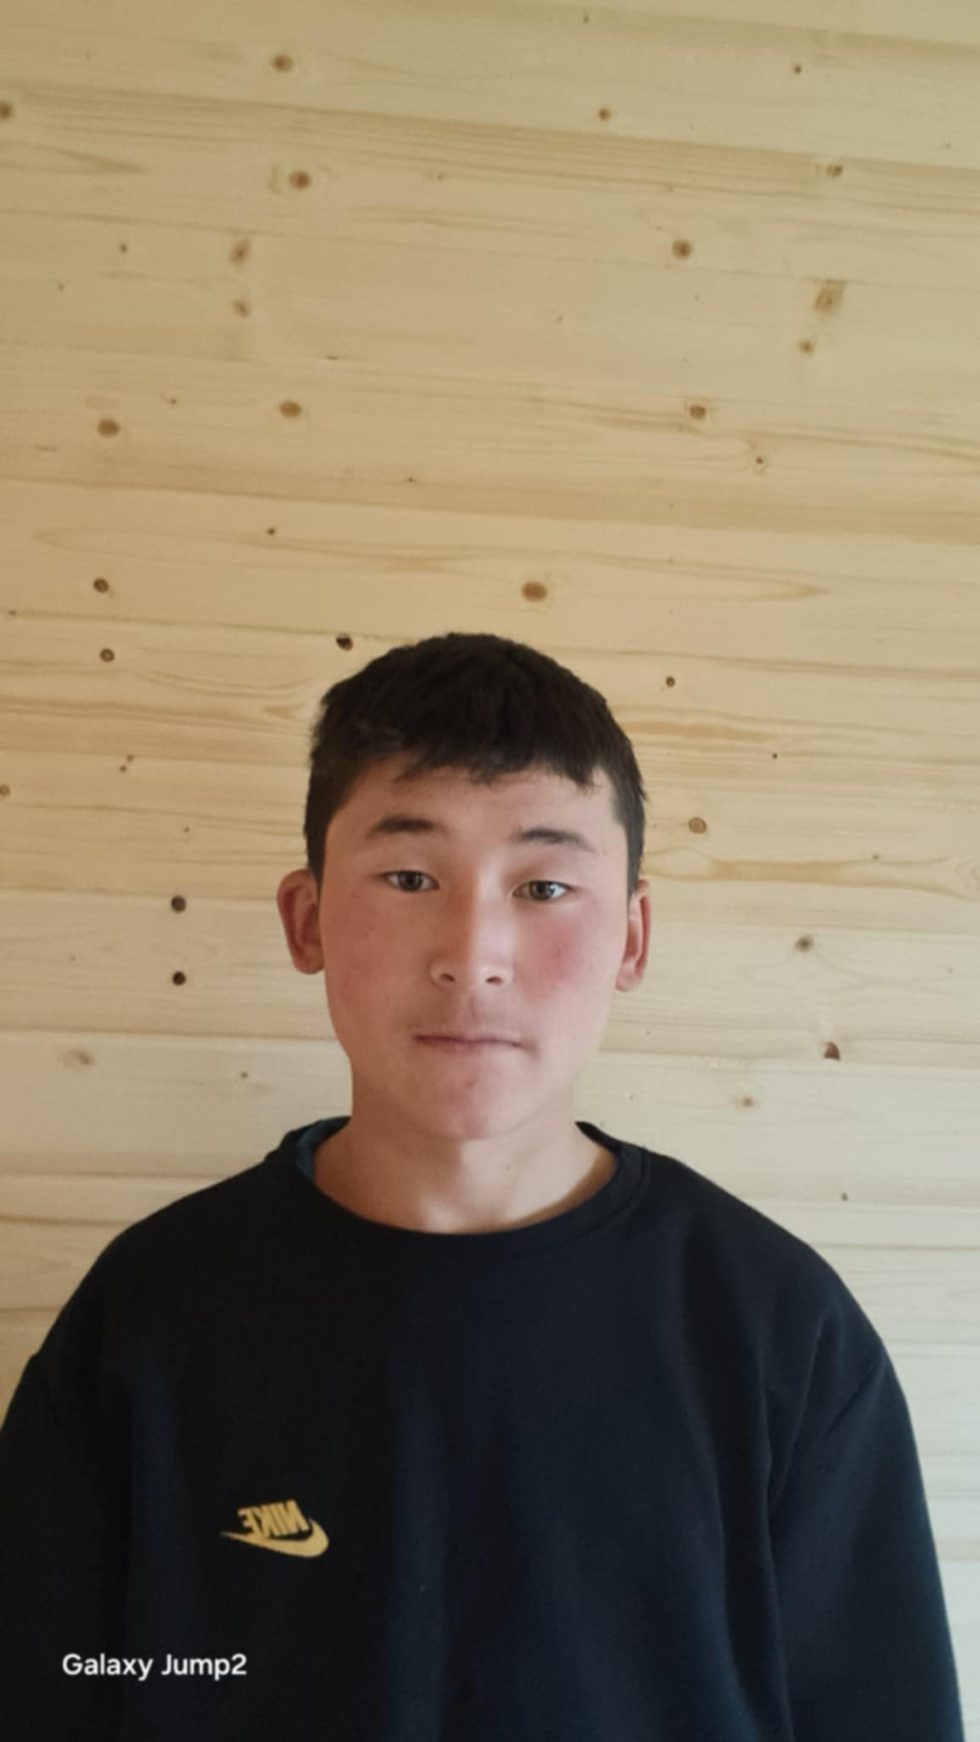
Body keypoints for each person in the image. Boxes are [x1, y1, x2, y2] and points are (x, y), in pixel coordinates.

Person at [0, 631, 965, 1740]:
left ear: (632, 938)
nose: (473, 952)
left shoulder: (778, 1332)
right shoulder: (149, 1313)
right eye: (410, 877)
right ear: (306, 918)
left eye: (544, 885)